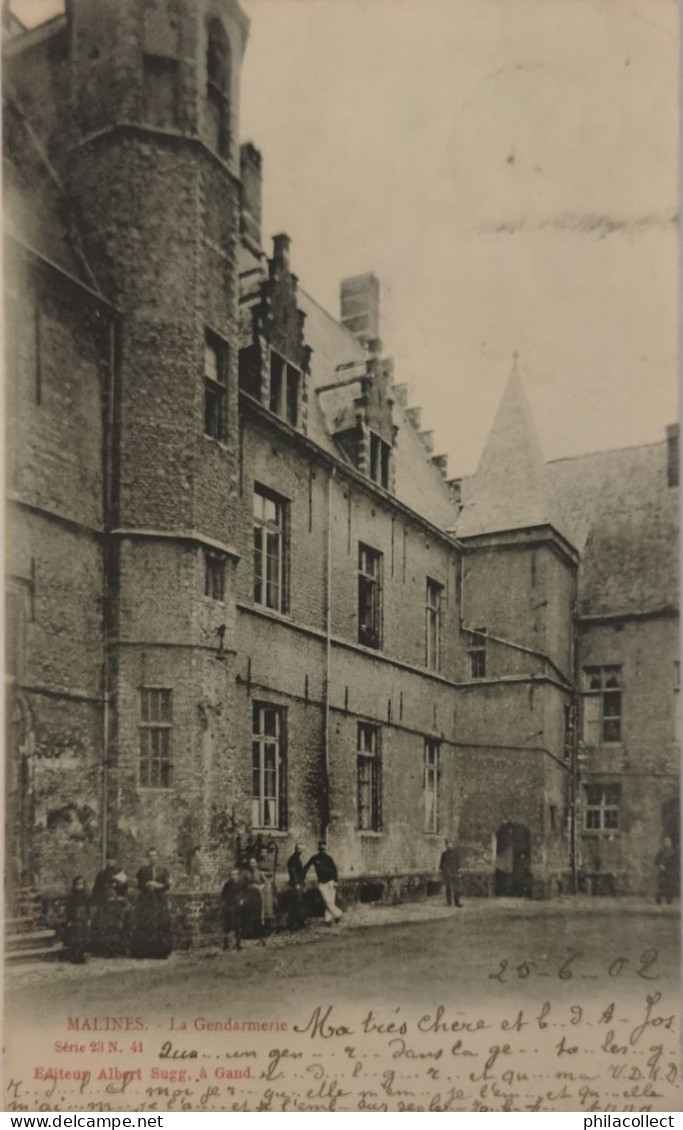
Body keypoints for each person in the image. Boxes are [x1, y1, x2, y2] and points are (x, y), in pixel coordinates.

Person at [131, 848, 173, 959]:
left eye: (155, 856)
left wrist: (157, 885)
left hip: (159, 900)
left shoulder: (163, 870)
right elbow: (139, 885)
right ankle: (147, 952)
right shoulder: (143, 870)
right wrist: (147, 884)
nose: (153, 858)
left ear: (158, 857)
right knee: (147, 925)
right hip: (147, 901)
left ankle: (161, 952)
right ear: (147, 858)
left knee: (160, 924)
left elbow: (167, 885)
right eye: (150, 856)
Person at [90, 856, 130, 956]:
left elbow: (124, 891)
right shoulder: (101, 875)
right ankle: (104, 950)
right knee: (104, 927)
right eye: (109, 859)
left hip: (117, 905)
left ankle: (117, 949)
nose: (110, 862)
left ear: (116, 861)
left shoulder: (120, 874)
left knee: (117, 927)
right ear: (106, 861)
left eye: (113, 859)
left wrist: (122, 885)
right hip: (105, 905)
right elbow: (96, 890)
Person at [304, 841, 342, 925]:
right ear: (318, 849)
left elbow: (334, 870)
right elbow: (306, 867)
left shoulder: (329, 858)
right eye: (321, 849)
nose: (322, 851)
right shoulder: (314, 858)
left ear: (325, 849)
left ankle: (327, 920)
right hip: (322, 882)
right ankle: (338, 914)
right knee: (327, 900)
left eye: (324, 849)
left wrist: (336, 881)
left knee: (331, 901)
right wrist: (302, 876)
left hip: (331, 881)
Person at [63, 876, 90, 964]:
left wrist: (89, 918)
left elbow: (88, 907)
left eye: (81, 884)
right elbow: (68, 909)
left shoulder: (86, 896)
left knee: (83, 937)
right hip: (75, 919)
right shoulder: (71, 896)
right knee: (75, 938)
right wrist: (69, 920)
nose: (80, 886)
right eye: (78, 884)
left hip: (84, 918)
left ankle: (81, 955)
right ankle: (75, 956)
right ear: (74, 885)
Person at [221, 868, 246, 951]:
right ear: (230, 876)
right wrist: (226, 903)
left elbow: (244, 894)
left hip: (237, 907)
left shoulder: (240, 884)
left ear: (238, 875)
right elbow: (224, 896)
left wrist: (242, 900)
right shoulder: (227, 885)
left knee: (238, 925)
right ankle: (226, 945)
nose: (233, 876)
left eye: (235, 874)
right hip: (229, 907)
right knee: (227, 926)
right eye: (232, 875)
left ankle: (238, 945)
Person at [286, 843, 307, 931]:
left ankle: (299, 922)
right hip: (296, 884)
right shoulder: (293, 859)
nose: (300, 851)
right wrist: (296, 884)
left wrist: (303, 883)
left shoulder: (297, 858)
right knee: (296, 903)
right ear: (296, 849)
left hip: (299, 883)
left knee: (299, 903)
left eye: (301, 849)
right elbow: (293, 873)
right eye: (299, 849)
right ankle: (293, 923)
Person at [655, 836, 679, 904]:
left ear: (670, 843)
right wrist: (660, 865)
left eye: (668, 841)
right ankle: (658, 900)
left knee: (670, 886)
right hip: (662, 872)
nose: (666, 843)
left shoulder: (673, 851)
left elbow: (675, 862)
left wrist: (674, 870)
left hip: (670, 872)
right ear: (663, 843)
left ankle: (669, 900)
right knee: (661, 886)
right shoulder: (660, 851)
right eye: (665, 841)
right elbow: (656, 861)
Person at [439, 839, 463, 908]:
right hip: (447, 872)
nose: (449, 845)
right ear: (445, 845)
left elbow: (458, 863)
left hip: (454, 872)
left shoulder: (456, 853)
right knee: (448, 887)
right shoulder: (444, 854)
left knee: (456, 888)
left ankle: (457, 902)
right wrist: (441, 870)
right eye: (447, 844)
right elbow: (441, 863)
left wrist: (459, 871)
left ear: (452, 845)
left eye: (450, 844)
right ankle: (449, 902)